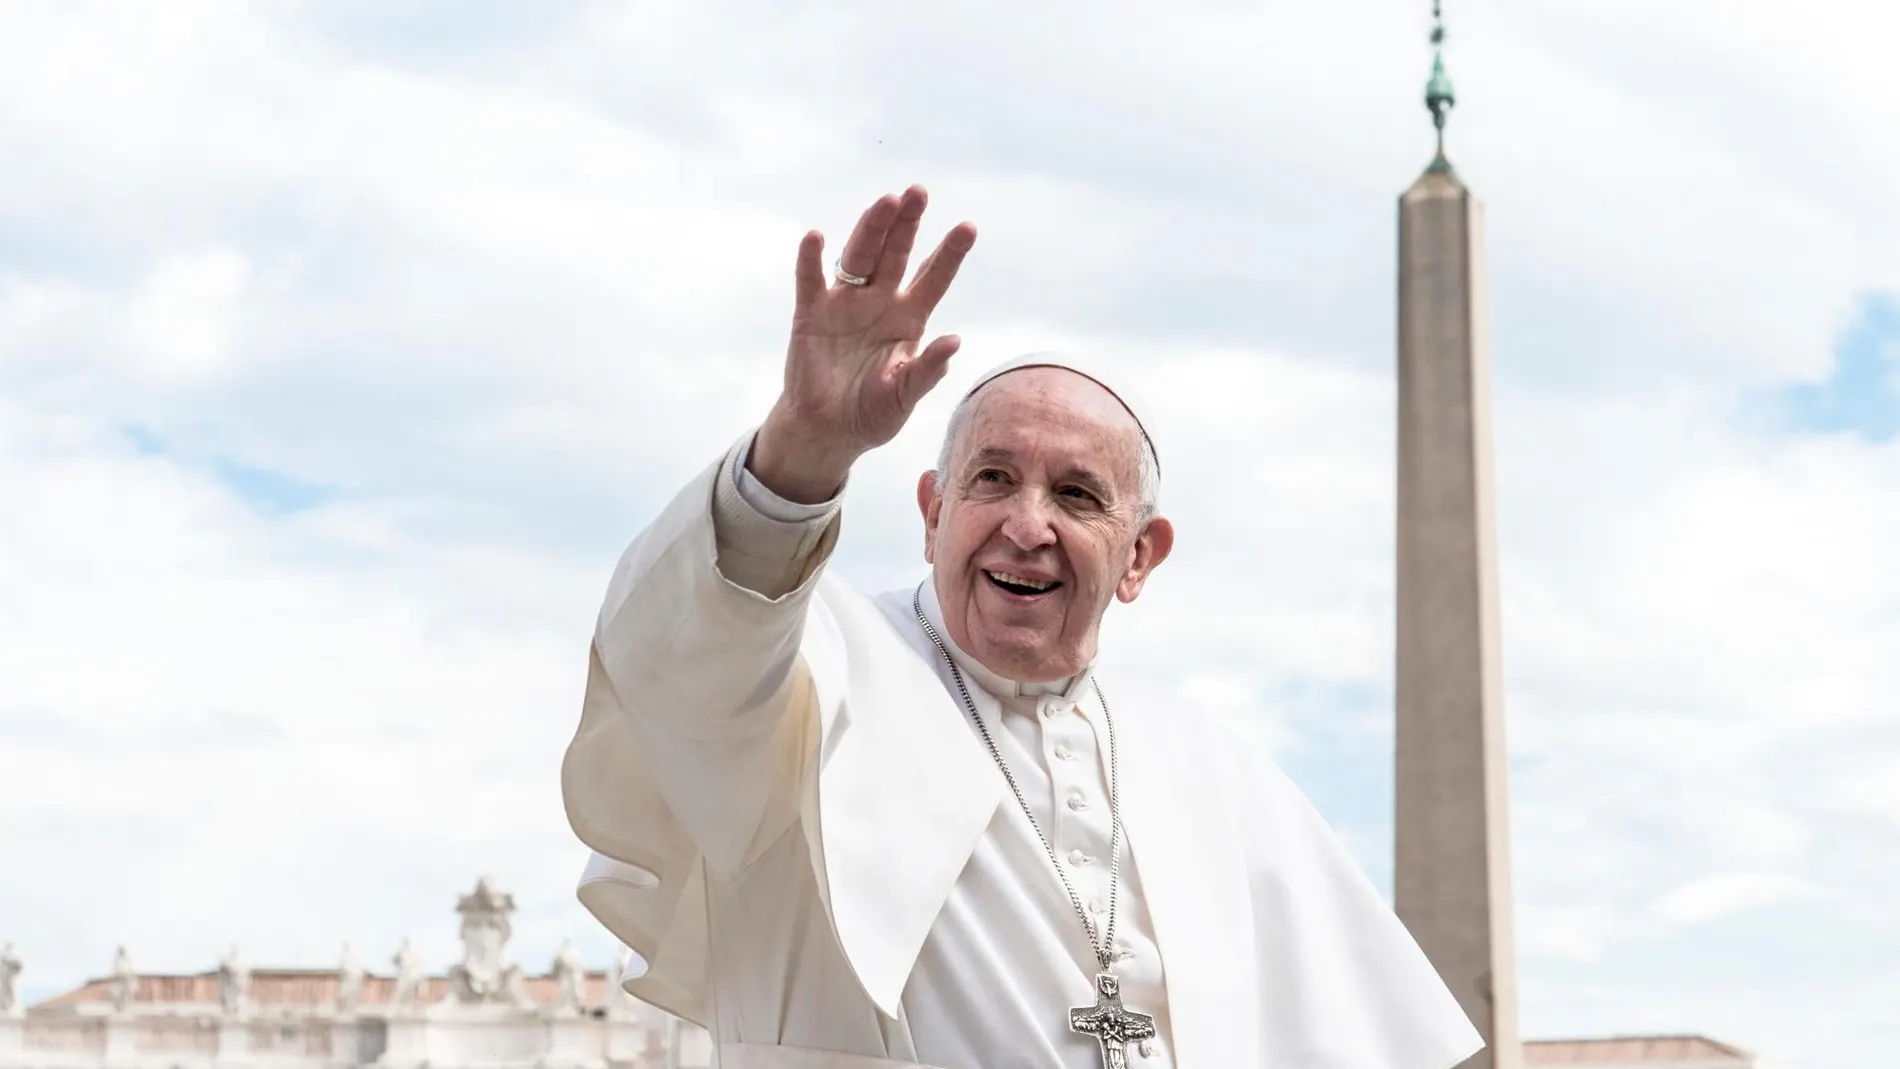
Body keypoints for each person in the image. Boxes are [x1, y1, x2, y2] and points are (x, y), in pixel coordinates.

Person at [562, 185, 1481, 1069]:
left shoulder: (1212, 769)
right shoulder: (812, 672)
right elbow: (685, 655)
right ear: (933, 512)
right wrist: (801, 449)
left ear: (1140, 556)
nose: (1027, 525)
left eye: (1076, 494)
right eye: (993, 479)